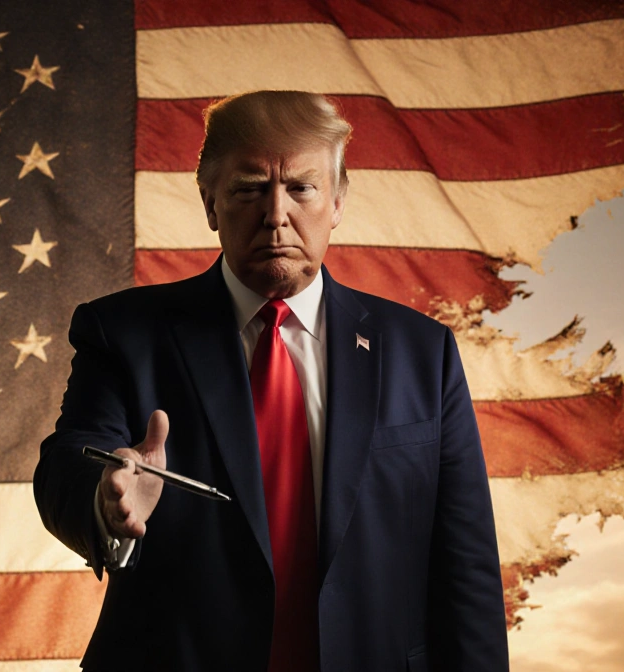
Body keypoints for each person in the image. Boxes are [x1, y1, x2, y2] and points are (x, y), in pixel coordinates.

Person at [34, 90, 509, 672]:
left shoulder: (421, 351)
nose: (276, 213)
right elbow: (66, 461)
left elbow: (466, 565)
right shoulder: (122, 332)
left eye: (301, 188)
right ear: (210, 203)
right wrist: (104, 503)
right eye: (249, 188)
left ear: (337, 201)